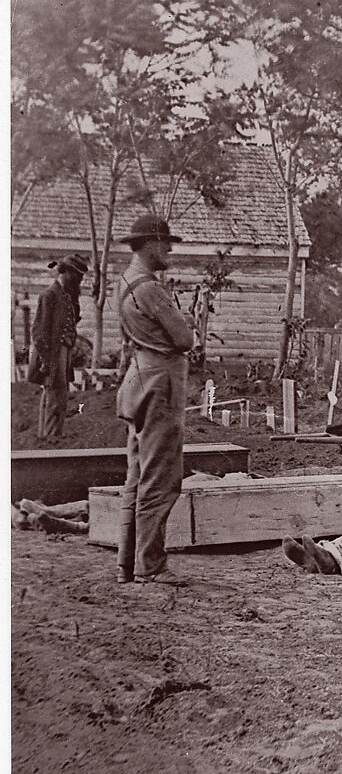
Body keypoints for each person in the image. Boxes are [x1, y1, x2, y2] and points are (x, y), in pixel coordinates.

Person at [114, 215, 197, 586]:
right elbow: (184, 339)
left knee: (137, 474)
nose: (169, 250)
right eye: (164, 243)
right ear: (149, 245)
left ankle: (126, 564)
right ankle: (150, 565)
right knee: (160, 477)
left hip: (139, 379)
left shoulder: (125, 282)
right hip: (159, 385)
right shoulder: (149, 288)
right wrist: (186, 319)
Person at [29, 253, 88, 442]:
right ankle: (51, 437)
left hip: (63, 350)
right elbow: (39, 331)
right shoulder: (50, 295)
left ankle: (48, 435)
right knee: (55, 393)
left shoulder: (67, 295)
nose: (80, 280)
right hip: (53, 352)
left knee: (57, 393)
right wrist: (46, 361)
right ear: (67, 272)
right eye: (78, 275)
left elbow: (69, 320)